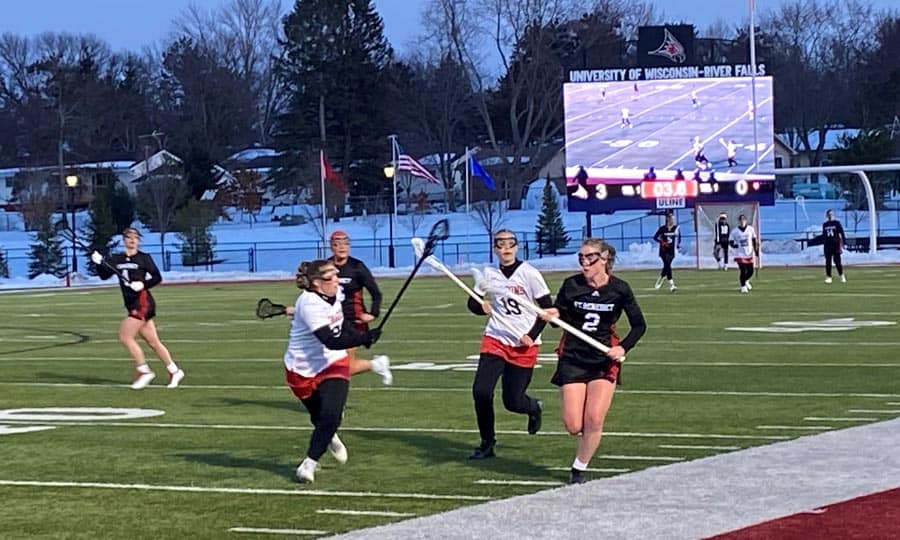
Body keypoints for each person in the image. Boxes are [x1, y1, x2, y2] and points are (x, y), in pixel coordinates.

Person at [541, 238, 646, 484]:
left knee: (594, 418)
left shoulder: (619, 289)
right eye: (581, 258)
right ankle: (586, 441)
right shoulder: (571, 285)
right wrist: (554, 315)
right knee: (573, 424)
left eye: (590, 258)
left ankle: (579, 468)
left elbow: (639, 325)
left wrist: (622, 347)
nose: (585, 263)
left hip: (603, 359)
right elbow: (561, 317)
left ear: (605, 259)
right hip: (573, 357)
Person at [283, 259, 381, 483]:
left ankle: (309, 464)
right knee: (320, 418)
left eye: (337, 275)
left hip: (333, 362)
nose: (337, 280)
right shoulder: (308, 304)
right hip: (302, 368)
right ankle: (327, 434)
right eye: (331, 277)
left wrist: (361, 337)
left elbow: (341, 325)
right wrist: (363, 337)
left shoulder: (337, 294)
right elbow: (330, 339)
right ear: (316, 283)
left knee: (332, 414)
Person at [466, 230, 552, 459]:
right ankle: (487, 442)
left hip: (524, 343)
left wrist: (531, 335)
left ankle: (534, 408)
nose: (505, 248)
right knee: (481, 391)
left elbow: (547, 310)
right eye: (500, 244)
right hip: (496, 338)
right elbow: (472, 304)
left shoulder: (530, 274)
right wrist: (480, 306)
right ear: (494, 248)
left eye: (510, 244)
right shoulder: (489, 274)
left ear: (516, 247)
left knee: (513, 401)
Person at [92, 227, 184, 390]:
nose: (132, 240)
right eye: (129, 237)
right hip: (131, 304)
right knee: (153, 342)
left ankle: (144, 371)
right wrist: (98, 263)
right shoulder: (117, 258)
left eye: (135, 237)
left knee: (125, 335)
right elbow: (104, 275)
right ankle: (174, 370)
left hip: (142, 303)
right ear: (124, 240)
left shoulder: (144, 258)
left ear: (139, 240)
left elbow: (157, 277)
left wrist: (143, 284)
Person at [327, 230, 392, 384]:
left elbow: (376, 293)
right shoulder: (326, 267)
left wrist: (373, 313)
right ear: (331, 247)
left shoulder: (357, 267)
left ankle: (335, 404)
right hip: (332, 321)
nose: (342, 247)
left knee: (344, 367)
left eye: (345, 244)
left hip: (353, 322)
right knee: (329, 365)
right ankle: (377, 364)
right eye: (337, 244)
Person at [729, 214, 759, 293]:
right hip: (740, 254)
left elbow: (754, 240)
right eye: (741, 220)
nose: (742, 222)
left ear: (746, 221)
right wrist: (734, 245)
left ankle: (746, 280)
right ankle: (743, 286)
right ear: (739, 221)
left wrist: (756, 250)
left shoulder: (750, 229)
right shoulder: (735, 231)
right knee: (743, 270)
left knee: (750, 271)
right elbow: (731, 241)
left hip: (749, 253)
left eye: (743, 220)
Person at [653, 212, 680, 291]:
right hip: (663, 251)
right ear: (668, 219)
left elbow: (678, 238)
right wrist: (662, 242)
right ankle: (672, 285)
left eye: (673, 219)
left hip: (671, 251)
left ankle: (660, 279)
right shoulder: (662, 228)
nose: (672, 220)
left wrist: (678, 244)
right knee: (667, 265)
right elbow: (655, 237)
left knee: (666, 266)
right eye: (671, 219)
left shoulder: (676, 228)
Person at [822, 209, 847, 283]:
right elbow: (824, 235)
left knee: (837, 261)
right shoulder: (825, 224)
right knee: (828, 262)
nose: (830, 216)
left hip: (835, 245)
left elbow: (841, 232)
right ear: (826, 216)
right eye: (829, 214)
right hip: (827, 245)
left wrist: (844, 242)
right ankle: (829, 277)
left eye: (831, 214)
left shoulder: (836, 223)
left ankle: (842, 275)